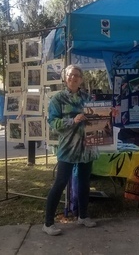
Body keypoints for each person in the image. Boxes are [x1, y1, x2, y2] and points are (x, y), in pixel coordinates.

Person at [43, 64, 99, 236]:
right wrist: (72, 121)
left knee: (84, 183)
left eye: (76, 75)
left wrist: (108, 114)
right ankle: (48, 223)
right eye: (70, 75)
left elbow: (96, 116)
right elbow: (53, 123)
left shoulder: (87, 97)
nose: (73, 78)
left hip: (87, 147)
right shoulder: (58, 99)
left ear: (81, 79)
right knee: (60, 183)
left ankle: (83, 216)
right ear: (64, 78)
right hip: (68, 147)